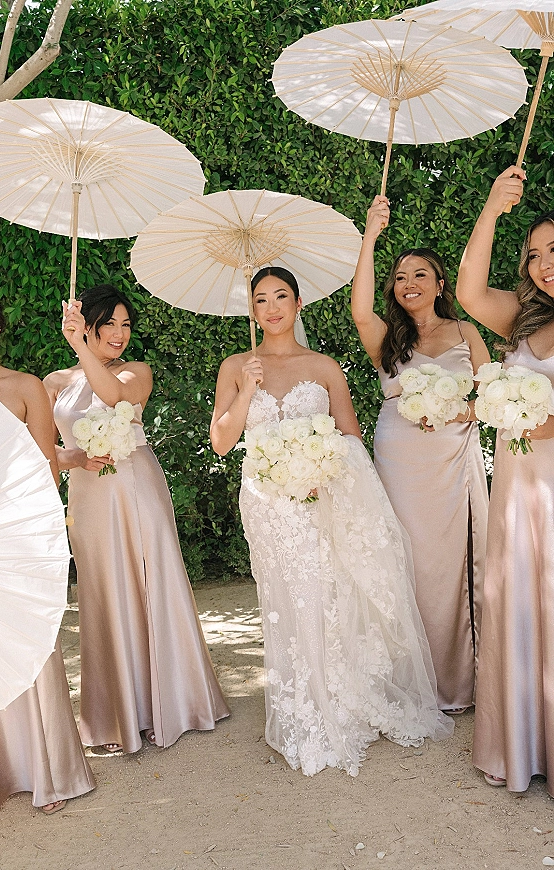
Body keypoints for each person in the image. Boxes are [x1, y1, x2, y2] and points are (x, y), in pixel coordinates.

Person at [210, 266, 453, 777]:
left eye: (281, 295)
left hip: (319, 500)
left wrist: (323, 468)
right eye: (260, 299)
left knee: (326, 596)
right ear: (251, 310)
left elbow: (349, 436)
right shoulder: (237, 365)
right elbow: (222, 441)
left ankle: (338, 700)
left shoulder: (323, 367)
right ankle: (299, 706)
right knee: (283, 602)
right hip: (267, 503)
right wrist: (245, 393)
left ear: (298, 304)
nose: (271, 306)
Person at [44, 284, 229, 755]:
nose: (119, 333)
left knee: (152, 584)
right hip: (87, 498)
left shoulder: (136, 372)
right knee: (103, 591)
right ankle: (117, 713)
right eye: (109, 323)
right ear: (88, 322)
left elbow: (113, 396)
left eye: (126, 325)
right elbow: (43, 448)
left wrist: (79, 347)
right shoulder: (54, 382)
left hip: (136, 486)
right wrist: (73, 458)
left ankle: (173, 703)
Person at [351, 196, 490, 714]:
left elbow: (489, 397)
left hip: (452, 463)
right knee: (403, 561)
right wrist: (370, 235)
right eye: (400, 276)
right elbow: (359, 309)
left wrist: (456, 412)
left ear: (440, 284)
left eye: (420, 274)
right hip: (400, 460)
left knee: (448, 567)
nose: (409, 283)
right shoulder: (387, 337)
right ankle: (408, 683)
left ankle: (456, 681)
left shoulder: (466, 332)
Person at [0, 288, 95, 818]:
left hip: (10, 535)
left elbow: (46, 467)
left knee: (26, 644)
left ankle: (48, 771)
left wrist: (39, 534)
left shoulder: (22, 387)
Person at [456, 167, 554, 793]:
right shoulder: (521, 317)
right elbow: (468, 291)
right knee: (519, 599)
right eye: (536, 254)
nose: (545, 265)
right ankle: (525, 741)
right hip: (518, 493)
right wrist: (492, 208)